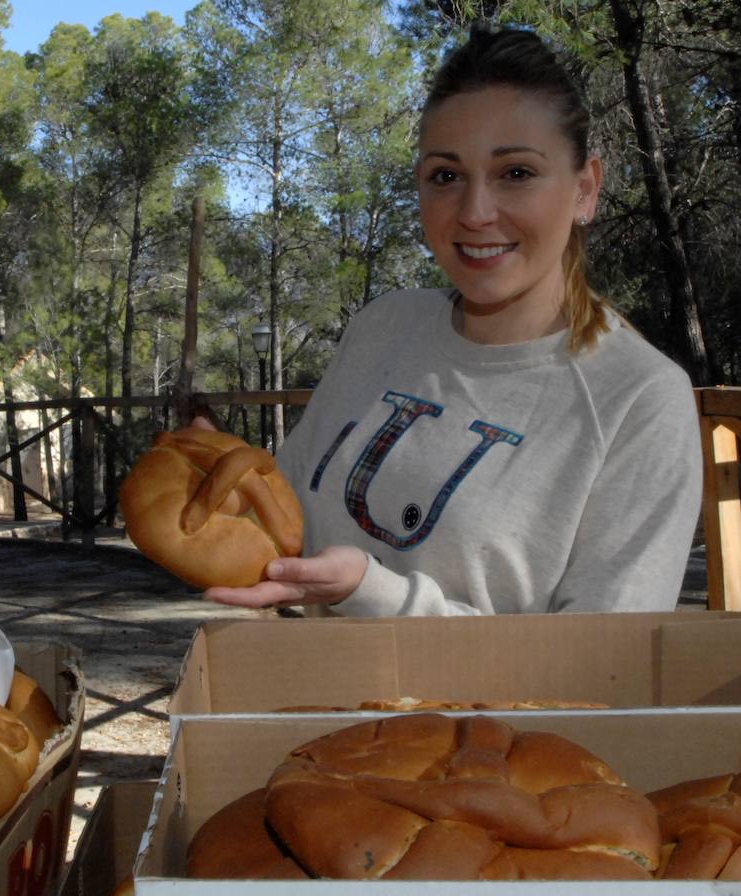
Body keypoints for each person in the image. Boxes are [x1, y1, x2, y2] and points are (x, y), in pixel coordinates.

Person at [205, 25, 703, 617]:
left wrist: (375, 595)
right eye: (446, 175)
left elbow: (599, 670)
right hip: (303, 703)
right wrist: (219, 479)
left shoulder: (638, 399)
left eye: (515, 172)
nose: (474, 212)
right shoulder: (382, 328)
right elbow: (282, 515)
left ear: (585, 189)